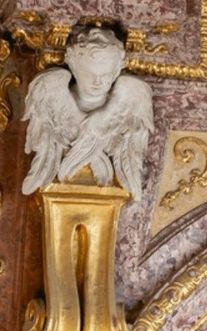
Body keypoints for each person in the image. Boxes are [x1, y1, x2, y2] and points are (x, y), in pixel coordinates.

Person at [22, 24, 153, 200]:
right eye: (89, 75)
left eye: (105, 75)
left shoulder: (131, 93)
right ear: (74, 69)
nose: (98, 82)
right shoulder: (52, 87)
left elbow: (129, 148)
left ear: (116, 72)